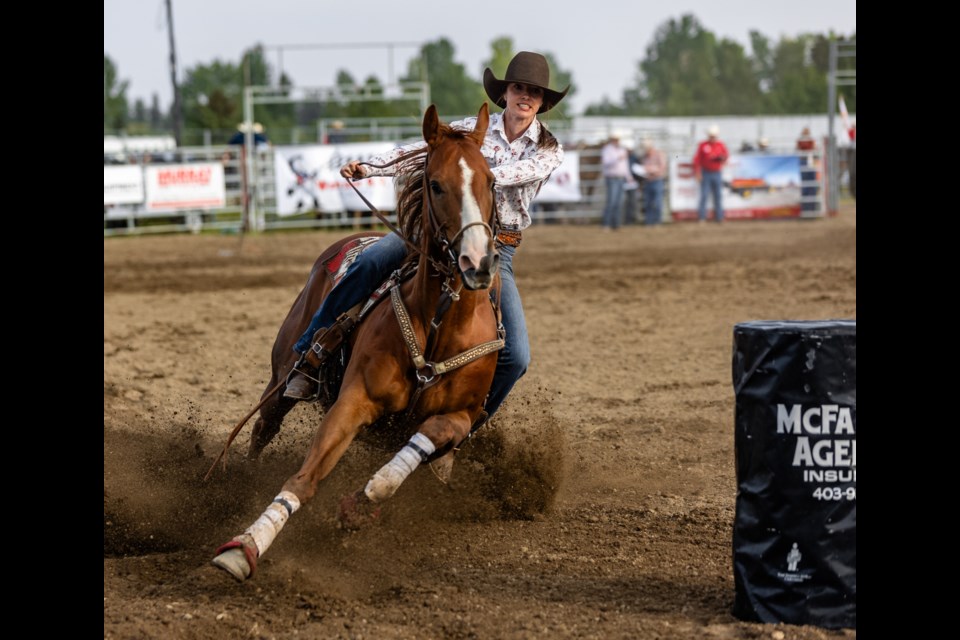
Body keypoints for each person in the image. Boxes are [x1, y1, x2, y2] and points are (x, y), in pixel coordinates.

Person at [283, 52, 569, 430]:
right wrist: (370, 166)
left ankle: (464, 424)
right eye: (519, 87)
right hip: (438, 236)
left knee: (516, 357)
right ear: (506, 93)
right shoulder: (471, 130)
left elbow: (513, 173)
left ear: (543, 101)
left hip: (497, 247)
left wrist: (469, 172)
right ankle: (309, 353)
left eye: (534, 91)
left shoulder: (548, 149)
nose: (525, 96)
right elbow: (416, 150)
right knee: (369, 262)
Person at [693, 125, 729, 223]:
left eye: (714, 136)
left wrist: (722, 158)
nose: (712, 138)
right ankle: (702, 217)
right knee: (704, 195)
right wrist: (697, 172)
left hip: (717, 172)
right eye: (711, 136)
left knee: (718, 195)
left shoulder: (720, 145)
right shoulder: (703, 145)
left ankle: (719, 217)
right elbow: (697, 159)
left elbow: (726, 156)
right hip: (706, 173)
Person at [600, 133, 630, 230]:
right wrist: (617, 159)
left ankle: (616, 224)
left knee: (619, 202)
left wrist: (628, 176)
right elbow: (606, 163)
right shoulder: (607, 149)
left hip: (621, 178)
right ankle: (606, 224)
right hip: (612, 178)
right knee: (611, 201)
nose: (617, 141)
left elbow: (625, 165)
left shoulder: (622, 150)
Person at [640, 138, 666, 226]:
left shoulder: (659, 154)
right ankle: (649, 221)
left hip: (657, 180)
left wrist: (651, 169)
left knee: (658, 202)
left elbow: (662, 167)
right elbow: (643, 168)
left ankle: (657, 221)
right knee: (648, 202)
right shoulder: (644, 156)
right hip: (648, 181)